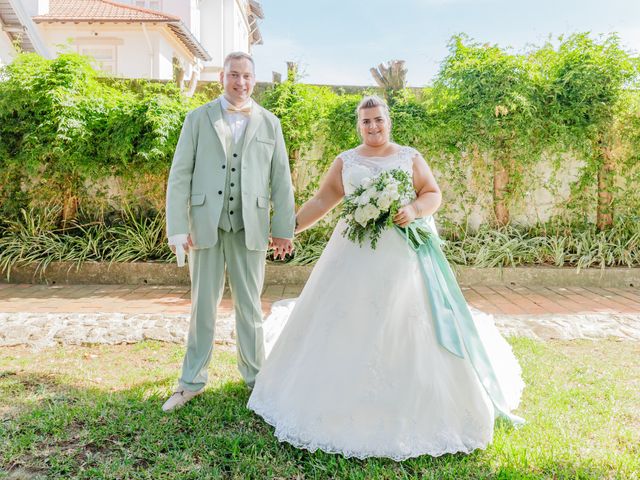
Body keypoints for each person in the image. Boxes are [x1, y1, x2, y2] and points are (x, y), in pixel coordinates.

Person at [247, 95, 524, 460]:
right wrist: (286, 228)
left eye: (378, 119)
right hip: (352, 253)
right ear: (358, 125)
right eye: (366, 122)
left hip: (402, 255)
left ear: (388, 120)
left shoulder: (409, 156)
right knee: (345, 318)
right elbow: (321, 201)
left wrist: (413, 208)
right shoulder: (346, 161)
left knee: (405, 323)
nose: (373, 127)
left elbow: (433, 194)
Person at [162, 52, 296, 412]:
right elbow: (179, 176)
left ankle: (256, 380)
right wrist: (177, 228)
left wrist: (284, 229)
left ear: (255, 80)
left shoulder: (271, 124)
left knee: (250, 309)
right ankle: (191, 381)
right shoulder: (197, 118)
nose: (240, 82)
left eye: (247, 76)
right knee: (202, 307)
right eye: (234, 75)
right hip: (205, 225)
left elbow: (281, 181)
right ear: (222, 77)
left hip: (250, 226)